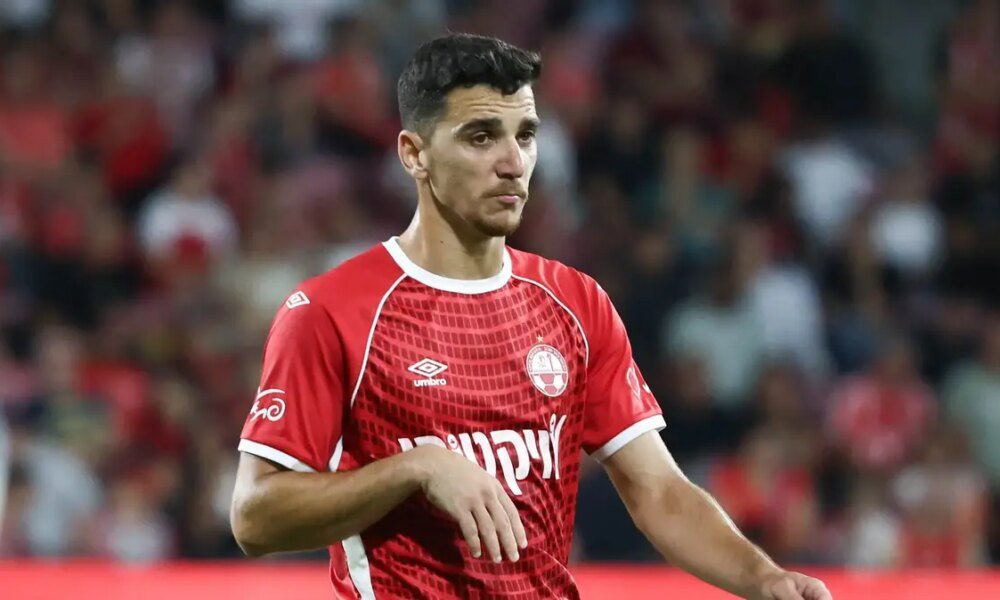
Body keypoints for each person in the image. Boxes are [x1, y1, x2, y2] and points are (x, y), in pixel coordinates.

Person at [229, 33, 832, 600]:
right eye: (481, 137)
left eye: (525, 135)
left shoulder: (575, 302)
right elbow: (256, 517)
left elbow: (659, 492)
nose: (513, 162)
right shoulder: (332, 311)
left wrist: (764, 578)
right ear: (414, 154)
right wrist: (413, 468)